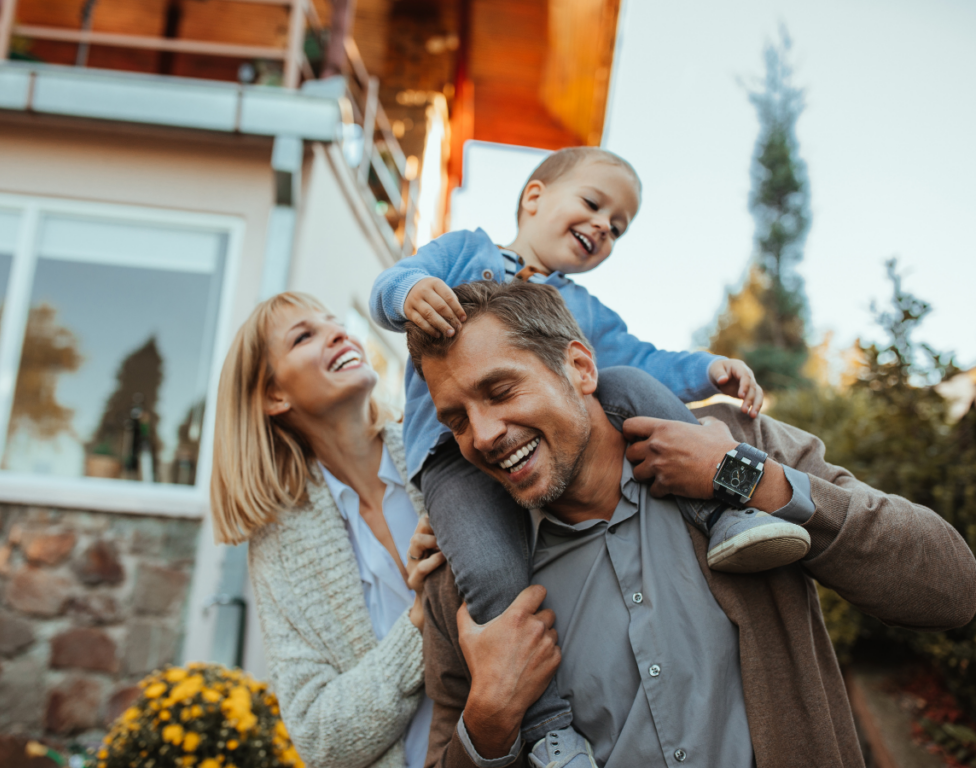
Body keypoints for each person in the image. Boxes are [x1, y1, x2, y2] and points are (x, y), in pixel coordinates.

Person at [406, 279, 976, 768]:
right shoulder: (464, 581)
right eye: (456, 420)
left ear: (579, 367)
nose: (482, 435)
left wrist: (749, 480)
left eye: (501, 391)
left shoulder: (735, 444)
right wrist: (489, 720)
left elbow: (950, 588)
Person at [370, 147, 810, 763]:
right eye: (594, 203)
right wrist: (411, 292)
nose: (605, 226)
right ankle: (549, 727)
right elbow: (390, 282)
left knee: (629, 383)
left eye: (619, 227)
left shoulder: (586, 313)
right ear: (534, 198)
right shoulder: (464, 249)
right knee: (493, 573)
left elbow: (647, 359)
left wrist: (708, 368)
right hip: (453, 460)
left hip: (555, 436)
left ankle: (725, 513)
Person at [209, 291, 446, 768]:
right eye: (304, 336)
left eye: (334, 322)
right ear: (275, 395)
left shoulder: (439, 455)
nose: (339, 333)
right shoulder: (281, 546)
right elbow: (319, 738)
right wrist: (420, 619)